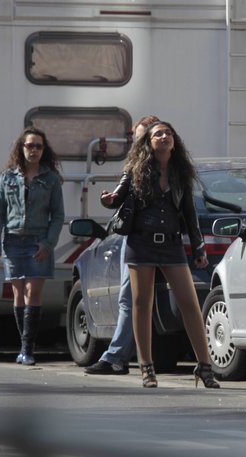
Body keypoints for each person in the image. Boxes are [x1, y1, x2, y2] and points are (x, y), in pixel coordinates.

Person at [102, 120, 219, 389]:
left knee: (189, 304)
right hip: (140, 244)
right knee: (142, 305)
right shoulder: (134, 171)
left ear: (174, 141)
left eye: (168, 133)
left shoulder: (181, 173)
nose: (164, 136)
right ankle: (146, 367)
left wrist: (199, 249)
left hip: (172, 245)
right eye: (158, 134)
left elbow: (190, 214)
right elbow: (116, 197)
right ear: (149, 143)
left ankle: (204, 366)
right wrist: (108, 199)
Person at [85, 115, 159, 376]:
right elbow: (119, 195)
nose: (138, 144)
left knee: (131, 300)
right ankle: (122, 356)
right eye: (136, 138)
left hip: (148, 240)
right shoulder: (140, 166)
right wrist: (110, 199)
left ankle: (117, 357)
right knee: (132, 300)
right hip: (138, 239)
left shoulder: (156, 167)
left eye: (142, 138)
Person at [0, 127, 65, 366]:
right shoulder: (7, 177)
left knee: (34, 292)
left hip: (38, 242)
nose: (33, 150)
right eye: (29, 146)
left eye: (38, 146)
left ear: (44, 150)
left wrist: (48, 243)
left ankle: (27, 349)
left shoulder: (51, 179)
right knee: (18, 293)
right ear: (21, 148)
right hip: (12, 241)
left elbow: (58, 215)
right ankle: (23, 346)